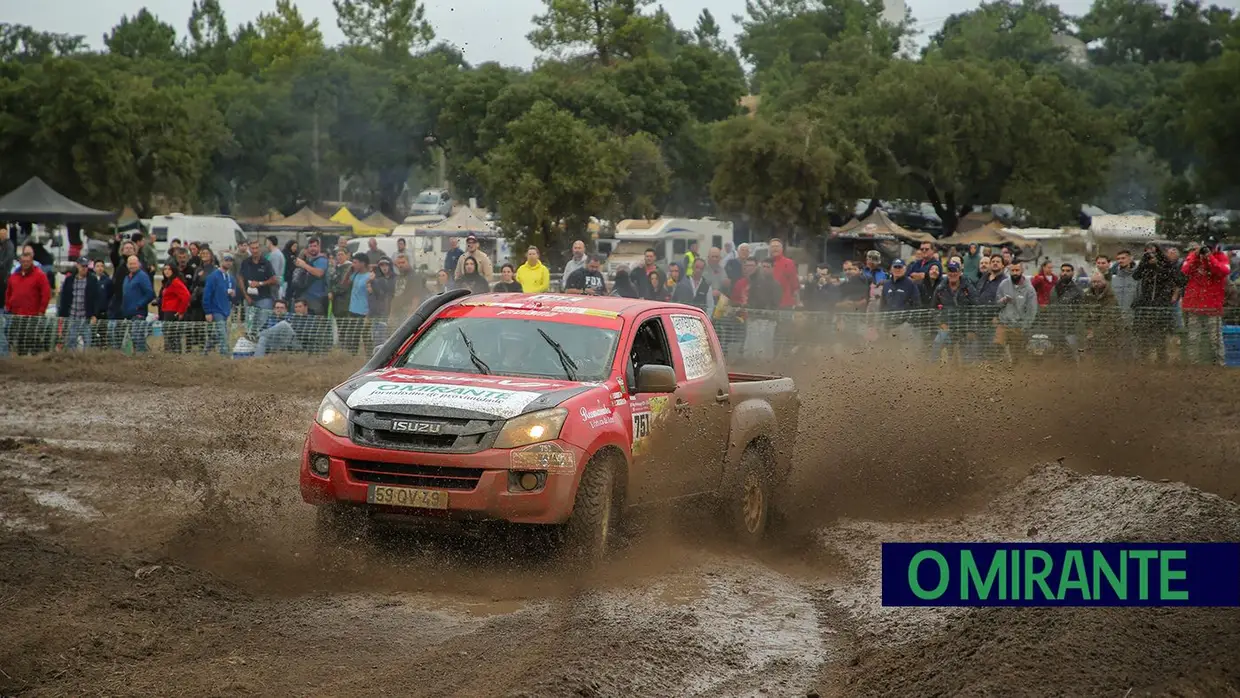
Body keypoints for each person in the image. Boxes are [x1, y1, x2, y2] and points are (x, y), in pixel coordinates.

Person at [1180, 239, 1231, 365]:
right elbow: (1185, 271)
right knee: (1193, 338)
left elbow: (1223, 271)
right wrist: (1197, 257)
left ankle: (1220, 364)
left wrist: (1209, 257)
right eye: (1205, 247)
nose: (1206, 249)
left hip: (1213, 306)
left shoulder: (1221, 257)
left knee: (1216, 339)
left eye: (1209, 247)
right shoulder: (1192, 256)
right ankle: (1193, 364)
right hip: (1194, 305)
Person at [6, 248, 51, 354]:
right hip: (16, 314)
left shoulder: (40, 275)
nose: (25, 264)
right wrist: (8, 306)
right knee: (19, 340)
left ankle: (34, 362)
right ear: (20, 262)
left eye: (27, 261)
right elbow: (8, 292)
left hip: (33, 315)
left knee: (32, 340)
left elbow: (46, 294)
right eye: (23, 262)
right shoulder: (14, 276)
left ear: (32, 261)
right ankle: (21, 361)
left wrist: (42, 310)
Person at [995, 261, 1038, 363]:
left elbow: (1032, 311)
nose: (1014, 273)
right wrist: (1002, 301)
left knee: (1016, 355)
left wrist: (1025, 326)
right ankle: (996, 371)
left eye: (1017, 270)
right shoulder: (1003, 284)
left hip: (1019, 326)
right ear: (1009, 270)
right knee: (996, 348)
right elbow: (997, 304)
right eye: (1012, 270)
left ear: (1022, 270)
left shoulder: (1029, 289)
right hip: (1003, 323)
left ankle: (1015, 373)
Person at [57, 257, 99, 351]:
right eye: (82, 266)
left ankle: (87, 360)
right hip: (72, 316)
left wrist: (94, 314)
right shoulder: (69, 280)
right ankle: (72, 360)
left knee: (88, 341)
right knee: (71, 340)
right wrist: (62, 314)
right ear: (77, 266)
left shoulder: (92, 280)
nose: (84, 268)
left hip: (86, 317)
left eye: (86, 266)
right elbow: (64, 298)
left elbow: (96, 298)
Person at [240, 239, 278, 338]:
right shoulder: (245, 262)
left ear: (260, 248)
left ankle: (261, 346)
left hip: (264, 298)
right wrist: (245, 295)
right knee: (249, 325)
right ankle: (250, 347)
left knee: (262, 325)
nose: (255, 250)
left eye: (257, 248)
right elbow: (240, 278)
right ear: (249, 249)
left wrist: (260, 283)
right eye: (252, 248)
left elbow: (274, 280)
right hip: (249, 298)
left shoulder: (266, 263)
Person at [202, 253, 236, 356]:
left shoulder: (231, 278)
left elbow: (232, 296)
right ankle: (225, 357)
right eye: (226, 260)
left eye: (230, 260)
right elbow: (207, 294)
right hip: (216, 310)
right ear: (221, 261)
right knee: (223, 335)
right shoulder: (213, 276)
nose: (228, 262)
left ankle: (205, 352)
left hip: (226, 310)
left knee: (217, 334)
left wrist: (233, 294)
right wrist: (208, 311)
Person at [121, 255, 155, 353]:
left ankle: (143, 357)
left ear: (138, 264)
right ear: (127, 265)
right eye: (130, 264)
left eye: (134, 263)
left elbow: (150, 293)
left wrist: (139, 305)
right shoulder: (127, 278)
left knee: (137, 337)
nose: (132, 266)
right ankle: (137, 358)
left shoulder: (142, 276)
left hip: (138, 313)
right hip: (128, 314)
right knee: (133, 338)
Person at [291, 237, 330, 315]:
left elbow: (319, 273)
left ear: (319, 247)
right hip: (303, 296)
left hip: (317, 298)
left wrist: (304, 265)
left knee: (316, 323)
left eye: (315, 246)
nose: (313, 248)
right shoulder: (308, 259)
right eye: (311, 246)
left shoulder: (322, 260)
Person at [157, 263, 190, 353]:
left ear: (173, 270)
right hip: (167, 311)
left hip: (172, 312)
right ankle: (171, 355)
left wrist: (181, 311)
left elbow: (186, 296)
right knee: (170, 336)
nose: (166, 271)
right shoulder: (169, 282)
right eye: (165, 269)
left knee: (173, 336)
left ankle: (175, 356)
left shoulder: (176, 281)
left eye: (169, 269)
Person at [342, 253, 371, 355]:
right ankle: (352, 355)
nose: (353, 264)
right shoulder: (355, 274)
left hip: (363, 311)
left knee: (364, 335)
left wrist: (369, 312)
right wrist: (349, 271)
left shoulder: (369, 277)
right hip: (353, 309)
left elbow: (371, 295)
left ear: (362, 263)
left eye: (355, 262)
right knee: (352, 335)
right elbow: (344, 284)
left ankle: (369, 355)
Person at [768, 238, 799, 309]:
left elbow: (794, 284)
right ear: (769, 249)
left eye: (777, 246)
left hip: (785, 302)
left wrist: (797, 301)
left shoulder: (789, 263)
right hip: (768, 302)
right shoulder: (765, 263)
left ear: (782, 248)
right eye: (772, 246)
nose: (775, 248)